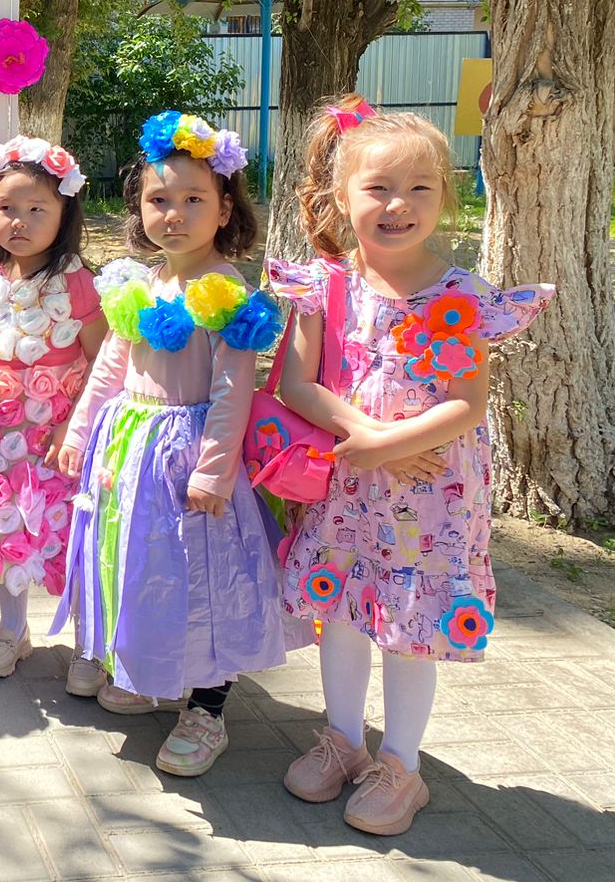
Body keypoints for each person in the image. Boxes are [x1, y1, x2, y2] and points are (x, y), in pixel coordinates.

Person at [268, 96, 553, 834]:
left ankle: (401, 765)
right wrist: (370, 439)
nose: (398, 205)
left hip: (432, 501)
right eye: (378, 188)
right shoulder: (325, 284)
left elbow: (467, 405)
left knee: (408, 623)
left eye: (420, 188)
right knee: (340, 612)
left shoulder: (460, 297)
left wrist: (387, 449)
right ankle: (342, 739)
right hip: (347, 482)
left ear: (446, 197)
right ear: (342, 196)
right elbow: (296, 383)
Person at [52, 112, 291, 778]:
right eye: (159, 200)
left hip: (190, 460)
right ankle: (149, 670)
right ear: (139, 208)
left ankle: (207, 708)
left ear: (225, 209)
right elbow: (109, 370)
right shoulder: (138, 283)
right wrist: (80, 432)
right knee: (142, 567)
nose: (175, 214)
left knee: (203, 575)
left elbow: (233, 391)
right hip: (132, 455)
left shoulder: (226, 293)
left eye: (194, 199)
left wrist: (213, 473)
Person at [0, 136, 107, 679]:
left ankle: (89, 644)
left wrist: (73, 429)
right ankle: (13, 629)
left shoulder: (78, 283)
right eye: (6, 207)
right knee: (4, 525)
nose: (19, 221)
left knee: (69, 532)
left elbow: (103, 364)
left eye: (37, 209)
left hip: (59, 435)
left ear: (65, 214)